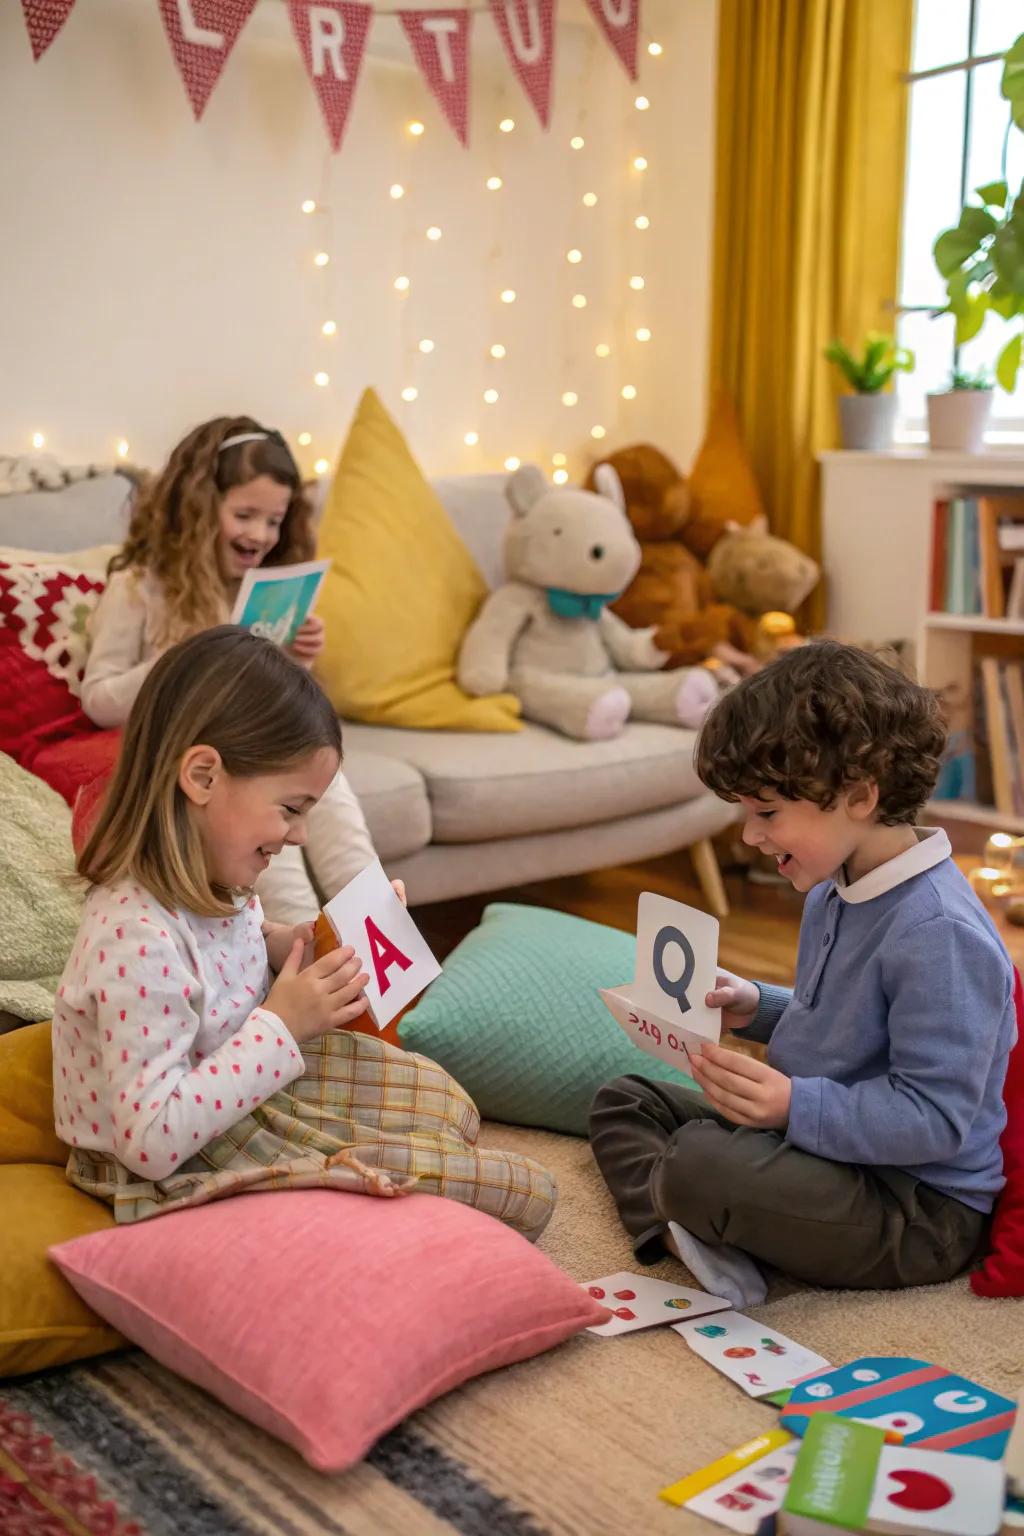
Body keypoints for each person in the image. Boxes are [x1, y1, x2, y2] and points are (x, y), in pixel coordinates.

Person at [56, 626, 554, 1236]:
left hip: (243, 1088)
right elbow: (148, 1141)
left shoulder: (215, 876)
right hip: (175, 1158)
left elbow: (237, 950)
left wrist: (303, 942)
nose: (301, 838)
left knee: (446, 1102)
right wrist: (283, 1024)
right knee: (525, 1195)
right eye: (292, 810)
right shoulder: (134, 936)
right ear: (203, 777)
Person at [590, 641, 1014, 1303]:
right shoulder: (835, 885)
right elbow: (848, 1031)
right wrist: (754, 1006)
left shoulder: (941, 934)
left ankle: (695, 1207)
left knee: (699, 1163)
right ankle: (682, 1231)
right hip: (825, 1145)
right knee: (624, 1097)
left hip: (915, 1205)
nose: (751, 837)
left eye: (767, 814)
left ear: (860, 796)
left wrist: (792, 1106)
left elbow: (936, 1119)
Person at [81, 415, 374, 923]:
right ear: (199, 507)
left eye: (274, 521)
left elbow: (261, 698)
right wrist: (176, 659)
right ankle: (301, 948)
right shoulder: (141, 587)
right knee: (269, 811)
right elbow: (98, 699)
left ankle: (380, 937)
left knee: (331, 798)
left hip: (263, 747)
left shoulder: (257, 591)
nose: (260, 534)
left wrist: (297, 659)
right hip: (205, 758)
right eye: (245, 514)